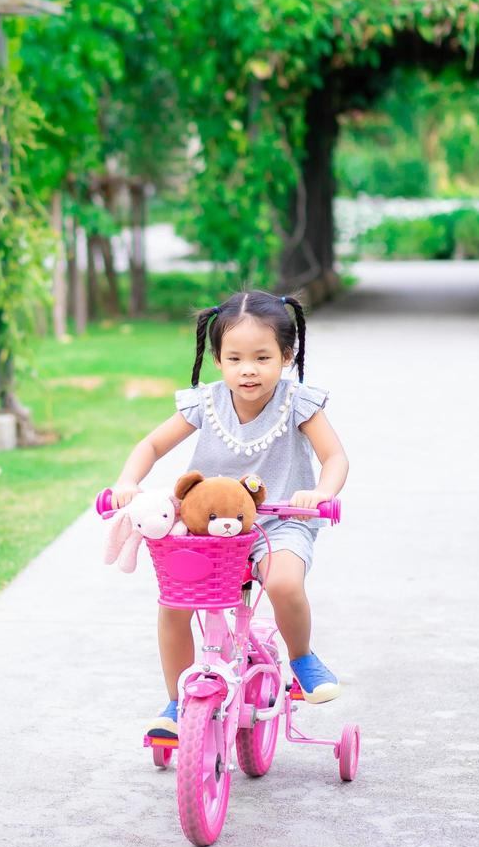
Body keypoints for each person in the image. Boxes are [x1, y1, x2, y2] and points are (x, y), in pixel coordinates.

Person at [110, 290, 349, 739]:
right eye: (235, 357)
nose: (248, 369)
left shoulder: (297, 402)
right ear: (218, 360)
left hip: (278, 522)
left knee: (281, 582)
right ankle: (178, 702)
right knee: (174, 605)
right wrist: (128, 481)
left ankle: (301, 660)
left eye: (262, 357)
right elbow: (152, 445)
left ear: (287, 355)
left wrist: (320, 492)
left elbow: (335, 456)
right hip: (207, 530)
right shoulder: (205, 403)